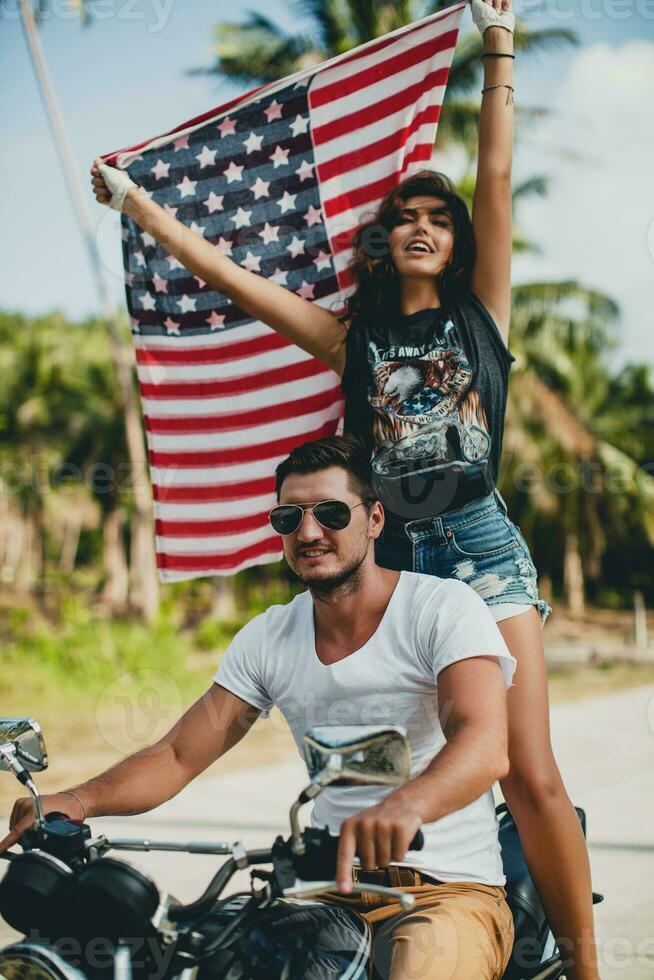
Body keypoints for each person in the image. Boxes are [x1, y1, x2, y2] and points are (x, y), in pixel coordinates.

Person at [89, 2, 600, 975]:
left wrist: (497, 40)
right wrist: (143, 210)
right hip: (396, 557)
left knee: (529, 772)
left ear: (453, 243)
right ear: (381, 243)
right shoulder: (353, 340)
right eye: (402, 217)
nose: (419, 227)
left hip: (480, 546)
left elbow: (493, 177)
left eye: (434, 219)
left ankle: (583, 964)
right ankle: (397, 916)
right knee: (389, 759)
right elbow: (240, 283)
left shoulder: (483, 319)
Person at [3, 436, 516, 980]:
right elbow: (178, 755)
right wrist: (79, 800)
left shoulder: (441, 609)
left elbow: (482, 742)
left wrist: (407, 805)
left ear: (374, 520)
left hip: (444, 893)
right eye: (289, 516)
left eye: (332, 513)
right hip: (324, 894)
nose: (309, 532)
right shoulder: (270, 636)